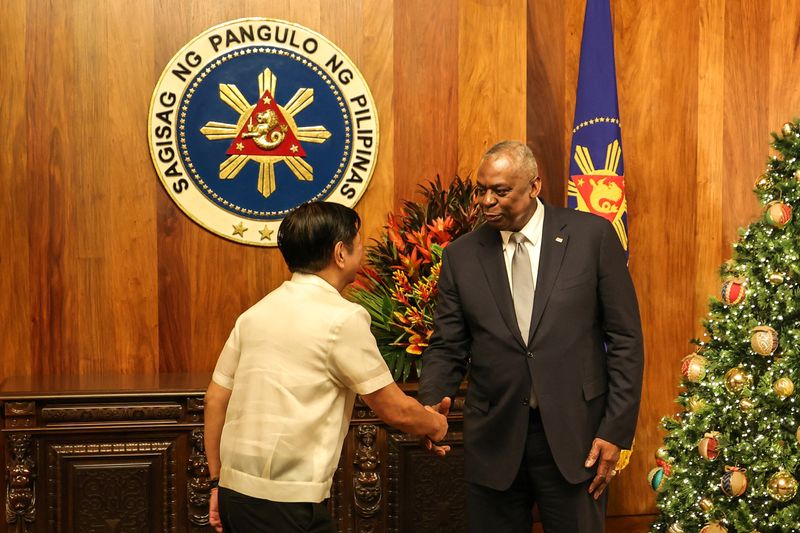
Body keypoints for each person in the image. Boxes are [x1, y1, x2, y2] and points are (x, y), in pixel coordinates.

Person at [418, 141, 644, 532]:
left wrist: (615, 430)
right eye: (481, 189)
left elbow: (625, 339)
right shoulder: (461, 256)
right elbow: (448, 344)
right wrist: (429, 405)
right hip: (495, 436)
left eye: (501, 191)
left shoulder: (592, 237)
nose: (487, 201)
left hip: (578, 438)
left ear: (534, 186)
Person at [204, 201, 450, 533]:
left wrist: (217, 482)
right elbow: (394, 410)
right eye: (358, 242)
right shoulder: (344, 318)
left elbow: (215, 399)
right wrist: (435, 425)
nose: (361, 250)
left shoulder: (255, 314)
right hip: (287, 506)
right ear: (340, 253)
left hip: (235, 496)